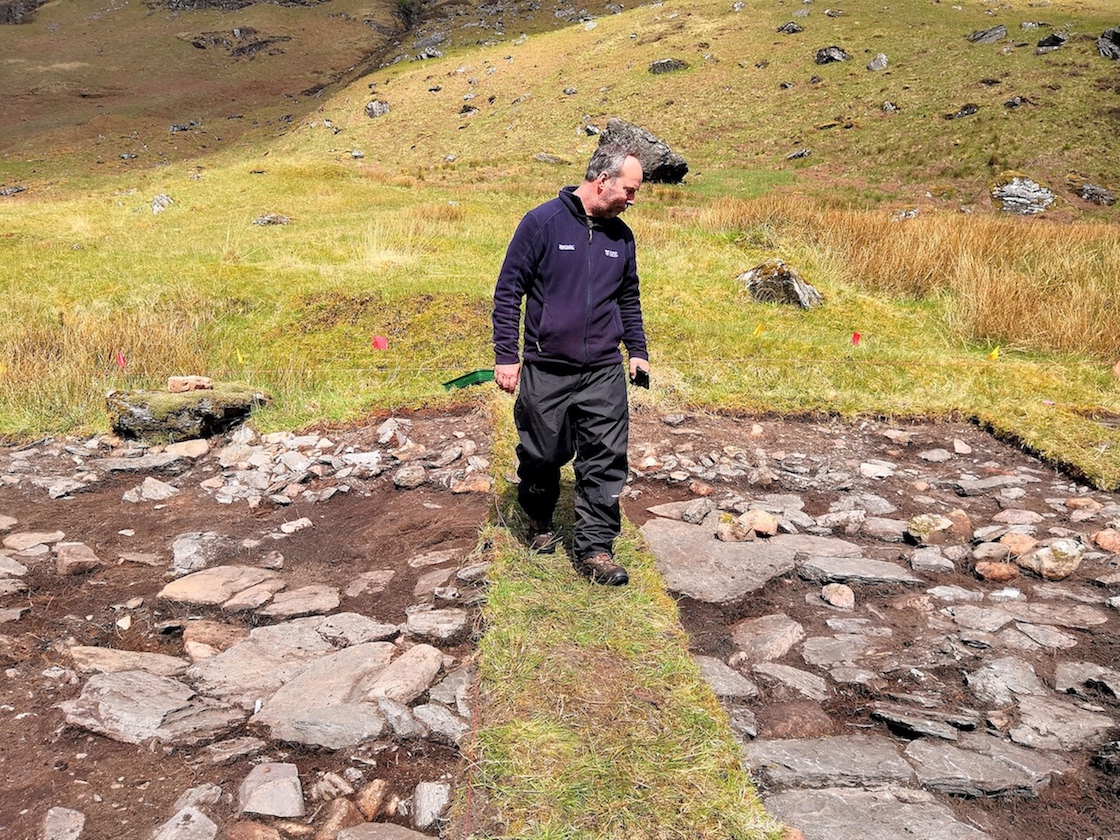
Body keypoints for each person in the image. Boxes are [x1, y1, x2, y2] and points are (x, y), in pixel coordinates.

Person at [492, 143, 651, 586]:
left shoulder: (621, 237)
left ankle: (595, 549)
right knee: (543, 455)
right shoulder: (542, 223)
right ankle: (540, 519)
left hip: (603, 369)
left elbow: (628, 298)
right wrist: (507, 356)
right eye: (629, 190)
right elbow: (508, 293)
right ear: (603, 181)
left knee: (605, 457)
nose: (632, 200)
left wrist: (636, 350)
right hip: (547, 367)